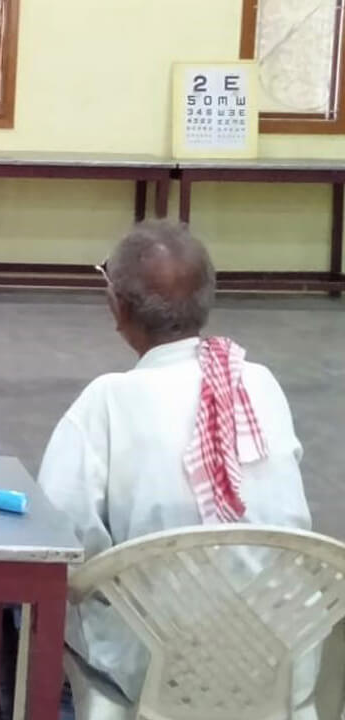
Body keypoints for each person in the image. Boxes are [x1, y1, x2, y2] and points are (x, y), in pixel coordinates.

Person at [37, 220, 315, 707]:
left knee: (23, 607)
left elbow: (58, 538)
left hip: (158, 668)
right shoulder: (259, 382)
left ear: (118, 307)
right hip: (281, 657)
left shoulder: (107, 401)